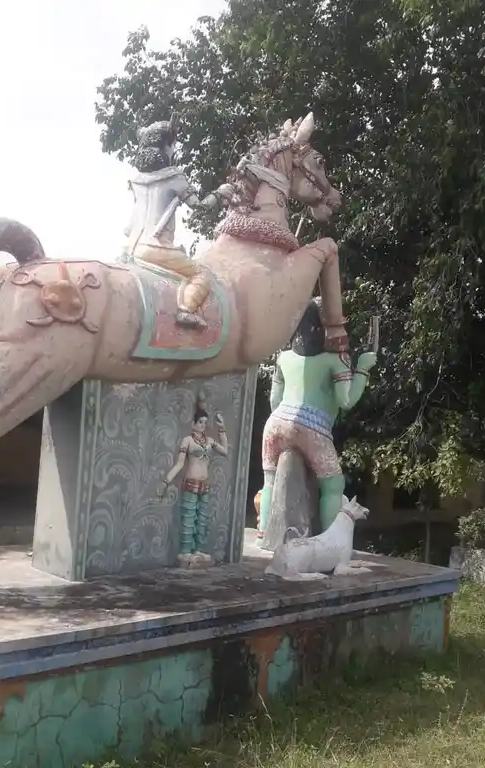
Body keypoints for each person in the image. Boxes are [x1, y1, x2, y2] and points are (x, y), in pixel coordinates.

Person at [258, 298, 378, 536]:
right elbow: (347, 401)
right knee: (333, 485)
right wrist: (363, 368)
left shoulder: (284, 358)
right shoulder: (336, 360)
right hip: (312, 427)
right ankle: (329, 538)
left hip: (276, 423)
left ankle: (264, 531)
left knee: (270, 480)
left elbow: (274, 400)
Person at [123, 116, 235, 329]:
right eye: (172, 145)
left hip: (131, 249)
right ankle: (186, 310)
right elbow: (200, 206)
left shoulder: (135, 180)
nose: (174, 150)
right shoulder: (174, 176)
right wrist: (220, 194)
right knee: (200, 275)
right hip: (155, 249)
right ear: (166, 146)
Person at [159, 400, 229, 567]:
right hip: (191, 483)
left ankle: (198, 550)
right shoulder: (187, 441)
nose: (203, 426)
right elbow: (179, 464)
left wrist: (222, 428)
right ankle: (185, 551)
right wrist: (166, 481)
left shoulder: (210, 441)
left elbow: (225, 451)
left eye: (205, 423)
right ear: (193, 424)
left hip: (204, 484)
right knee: (189, 517)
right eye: (200, 423)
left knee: (202, 518)